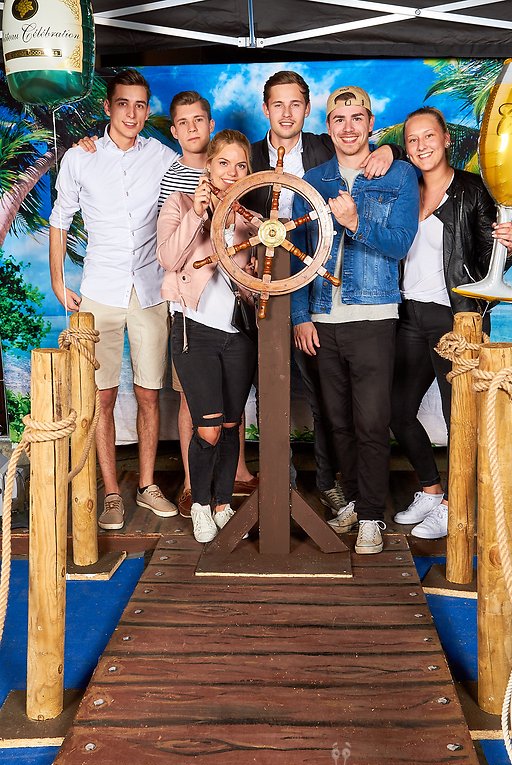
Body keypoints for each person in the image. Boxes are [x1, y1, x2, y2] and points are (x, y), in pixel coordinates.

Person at [249, 70, 403, 515]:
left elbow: (369, 143)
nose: (286, 113)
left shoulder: (324, 150)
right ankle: (278, 489)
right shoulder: (248, 155)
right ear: (265, 109)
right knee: (268, 392)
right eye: (278, 104)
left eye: (295, 104)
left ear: (308, 110)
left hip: (323, 295)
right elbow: (222, 183)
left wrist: (389, 150)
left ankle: (330, 486)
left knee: (323, 402)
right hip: (259, 291)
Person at [49, 68, 179, 530]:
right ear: (108, 107)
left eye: (140, 105)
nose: (132, 113)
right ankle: (110, 494)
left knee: (149, 393)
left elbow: (196, 183)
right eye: (123, 104)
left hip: (149, 288)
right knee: (101, 397)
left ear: (147, 110)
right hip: (99, 291)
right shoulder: (80, 157)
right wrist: (58, 281)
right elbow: (60, 220)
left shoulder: (163, 157)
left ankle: (146, 486)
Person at [291, 85, 419, 555]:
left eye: (357, 118)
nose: (348, 127)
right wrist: (301, 315)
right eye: (339, 119)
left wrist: (355, 222)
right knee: (336, 421)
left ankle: (370, 516)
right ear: (327, 127)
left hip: (374, 316)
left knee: (371, 422)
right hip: (322, 318)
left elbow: (400, 244)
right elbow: (299, 253)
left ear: (370, 122)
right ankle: (352, 503)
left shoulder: (399, 175)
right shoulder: (313, 180)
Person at [390, 106, 512, 539]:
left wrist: (509, 246)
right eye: (412, 140)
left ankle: (454, 506)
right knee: (396, 410)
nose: (421, 145)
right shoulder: (404, 188)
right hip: (409, 316)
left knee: (459, 416)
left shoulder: (472, 189)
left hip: (457, 318)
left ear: (446, 139)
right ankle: (431, 490)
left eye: (429, 136)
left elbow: (488, 262)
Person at [158, 91, 258, 519]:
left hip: (239, 335)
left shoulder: (251, 221)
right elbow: (168, 258)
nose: (232, 173)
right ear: (209, 166)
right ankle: (200, 503)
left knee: (232, 424)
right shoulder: (179, 204)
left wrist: (261, 245)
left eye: (241, 166)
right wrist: (198, 215)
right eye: (224, 164)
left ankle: (221, 504)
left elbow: (258, 282)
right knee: (210, 427)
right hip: (193, 330)